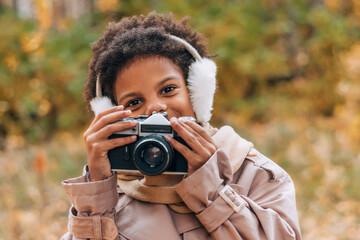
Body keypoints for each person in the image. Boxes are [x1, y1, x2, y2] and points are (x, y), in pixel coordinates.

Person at [61, 12, 301, 240]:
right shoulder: (112, 198)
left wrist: (213, 189)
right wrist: (97, 192)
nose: (156, 108)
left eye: (167, 90)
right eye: (134, 102)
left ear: (197, 93)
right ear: (112, 117)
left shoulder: (254, 174)